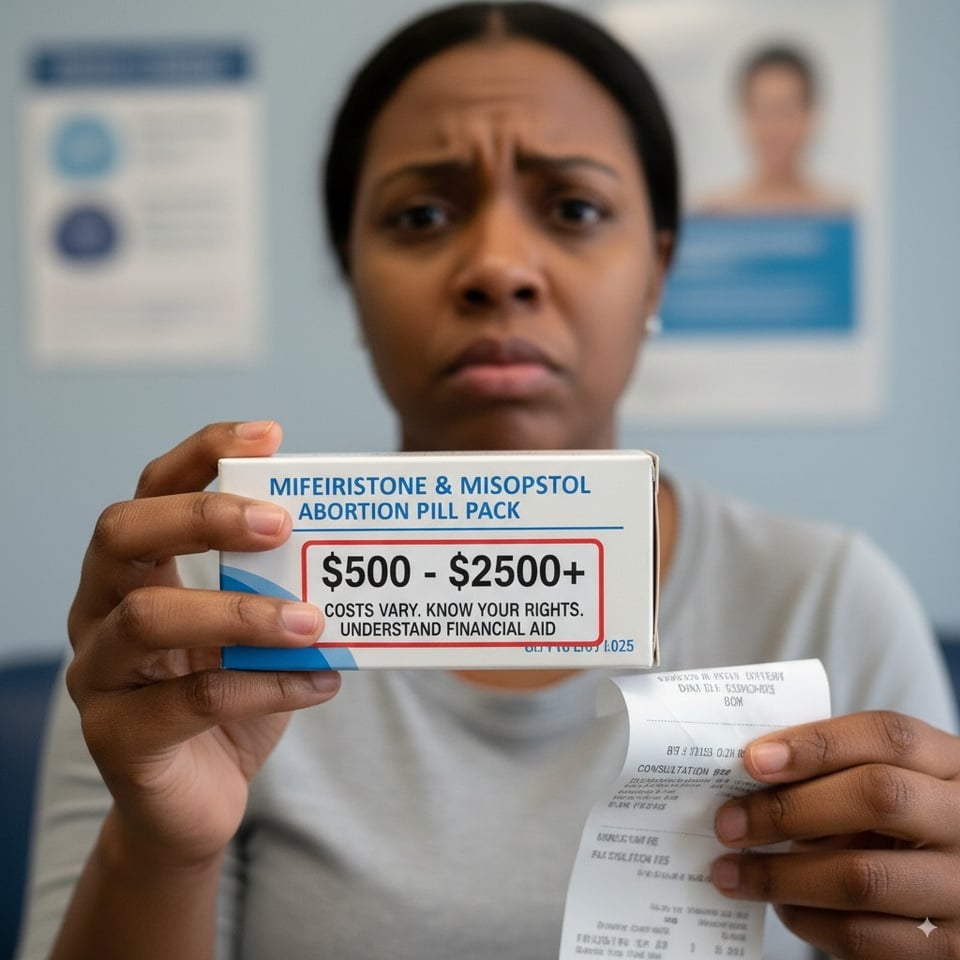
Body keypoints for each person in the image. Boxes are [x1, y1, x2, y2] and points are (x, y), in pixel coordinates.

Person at [16, 4, 959, 960]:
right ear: (352, 275)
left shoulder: (829, 603)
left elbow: (925, 916)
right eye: (421, 215)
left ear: (658, 273)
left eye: (575, 210)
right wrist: (159, 850)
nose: (499, 267)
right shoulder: (186, 634)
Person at [698, 44, 850, 214]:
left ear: (811, 116)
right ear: (744, 116)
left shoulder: (838, 213)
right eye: (764, 111)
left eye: (785, 111)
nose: (774, 128)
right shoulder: (715, 213)